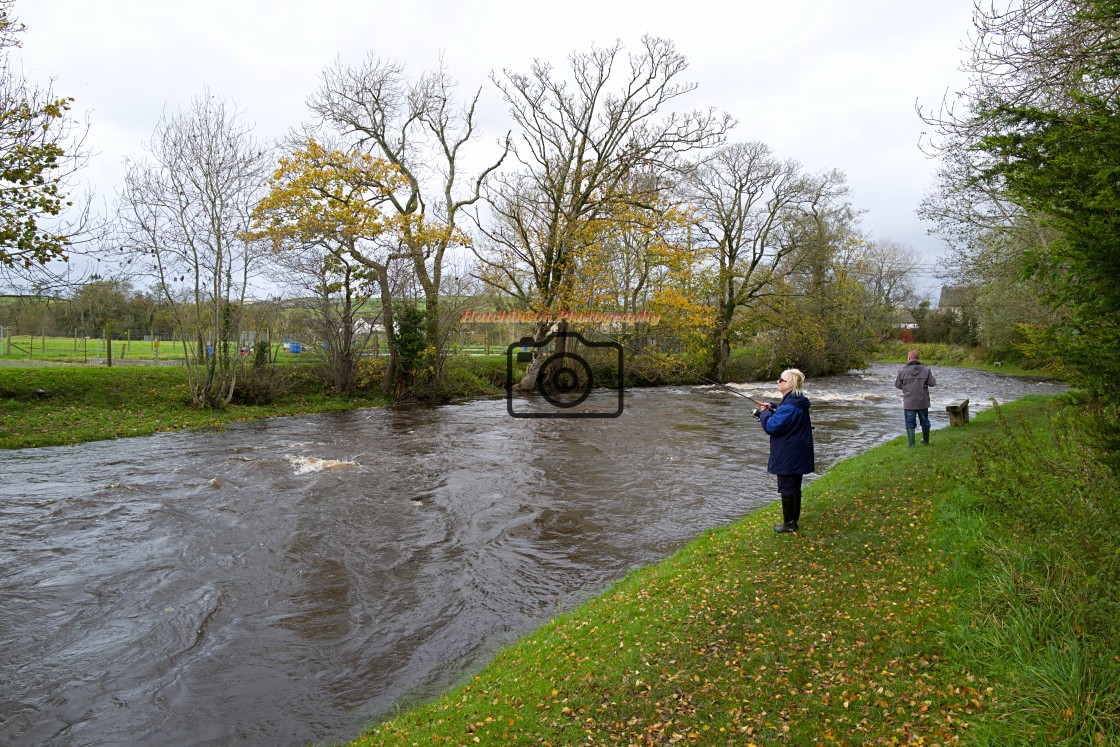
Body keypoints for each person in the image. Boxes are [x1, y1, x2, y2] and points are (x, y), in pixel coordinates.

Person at [757, 368, 815, 534]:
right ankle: (792, 520)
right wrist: (773, 407)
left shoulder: (791, 405)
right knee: (794, 487)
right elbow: (786, 414)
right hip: (796, 452)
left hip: (790, 454)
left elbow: (771, 426)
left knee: (788, 488)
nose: (778, 382)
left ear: (789, 384)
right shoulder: (794, 401)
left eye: (781, 380)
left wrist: (764, 414)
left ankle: (789, 524)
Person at [894, 349, 937, 447]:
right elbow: (933, 383)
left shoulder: (902, 371)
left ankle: (912, 445)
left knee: (910, 423)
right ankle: (926, 441)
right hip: (923, 402)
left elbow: (898, 385)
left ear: (909, 358)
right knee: (925, 421)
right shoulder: (926, 370)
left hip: (909, 402)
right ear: (918, 358)